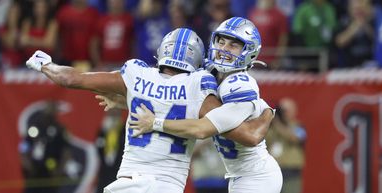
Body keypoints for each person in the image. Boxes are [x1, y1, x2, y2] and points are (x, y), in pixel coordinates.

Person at [25, 27, 274, 193]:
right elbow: (240, 133)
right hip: (167, 186)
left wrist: (44, 64)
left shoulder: (136, 74)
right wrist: (266, 113)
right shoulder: (199, 85)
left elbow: (71, 79)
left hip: (127, 184)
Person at [129, 17, 283, 193]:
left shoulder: (239, 84)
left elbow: (205, 130)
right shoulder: (210, 71)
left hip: (257, 176)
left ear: (249, 51)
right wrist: (121, 99)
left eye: (233, 45)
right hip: (239, 175)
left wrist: (155, 122)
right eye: (221, 42)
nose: (224, 49)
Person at [266, 98, 306, 193]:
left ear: (293, 111)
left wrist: (277, 123)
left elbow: (295, 138)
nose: (283, 113)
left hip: (291, 172)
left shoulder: (298, 126)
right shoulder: (270, 127)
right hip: (272, 172)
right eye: (281, 110)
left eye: (285, 110)